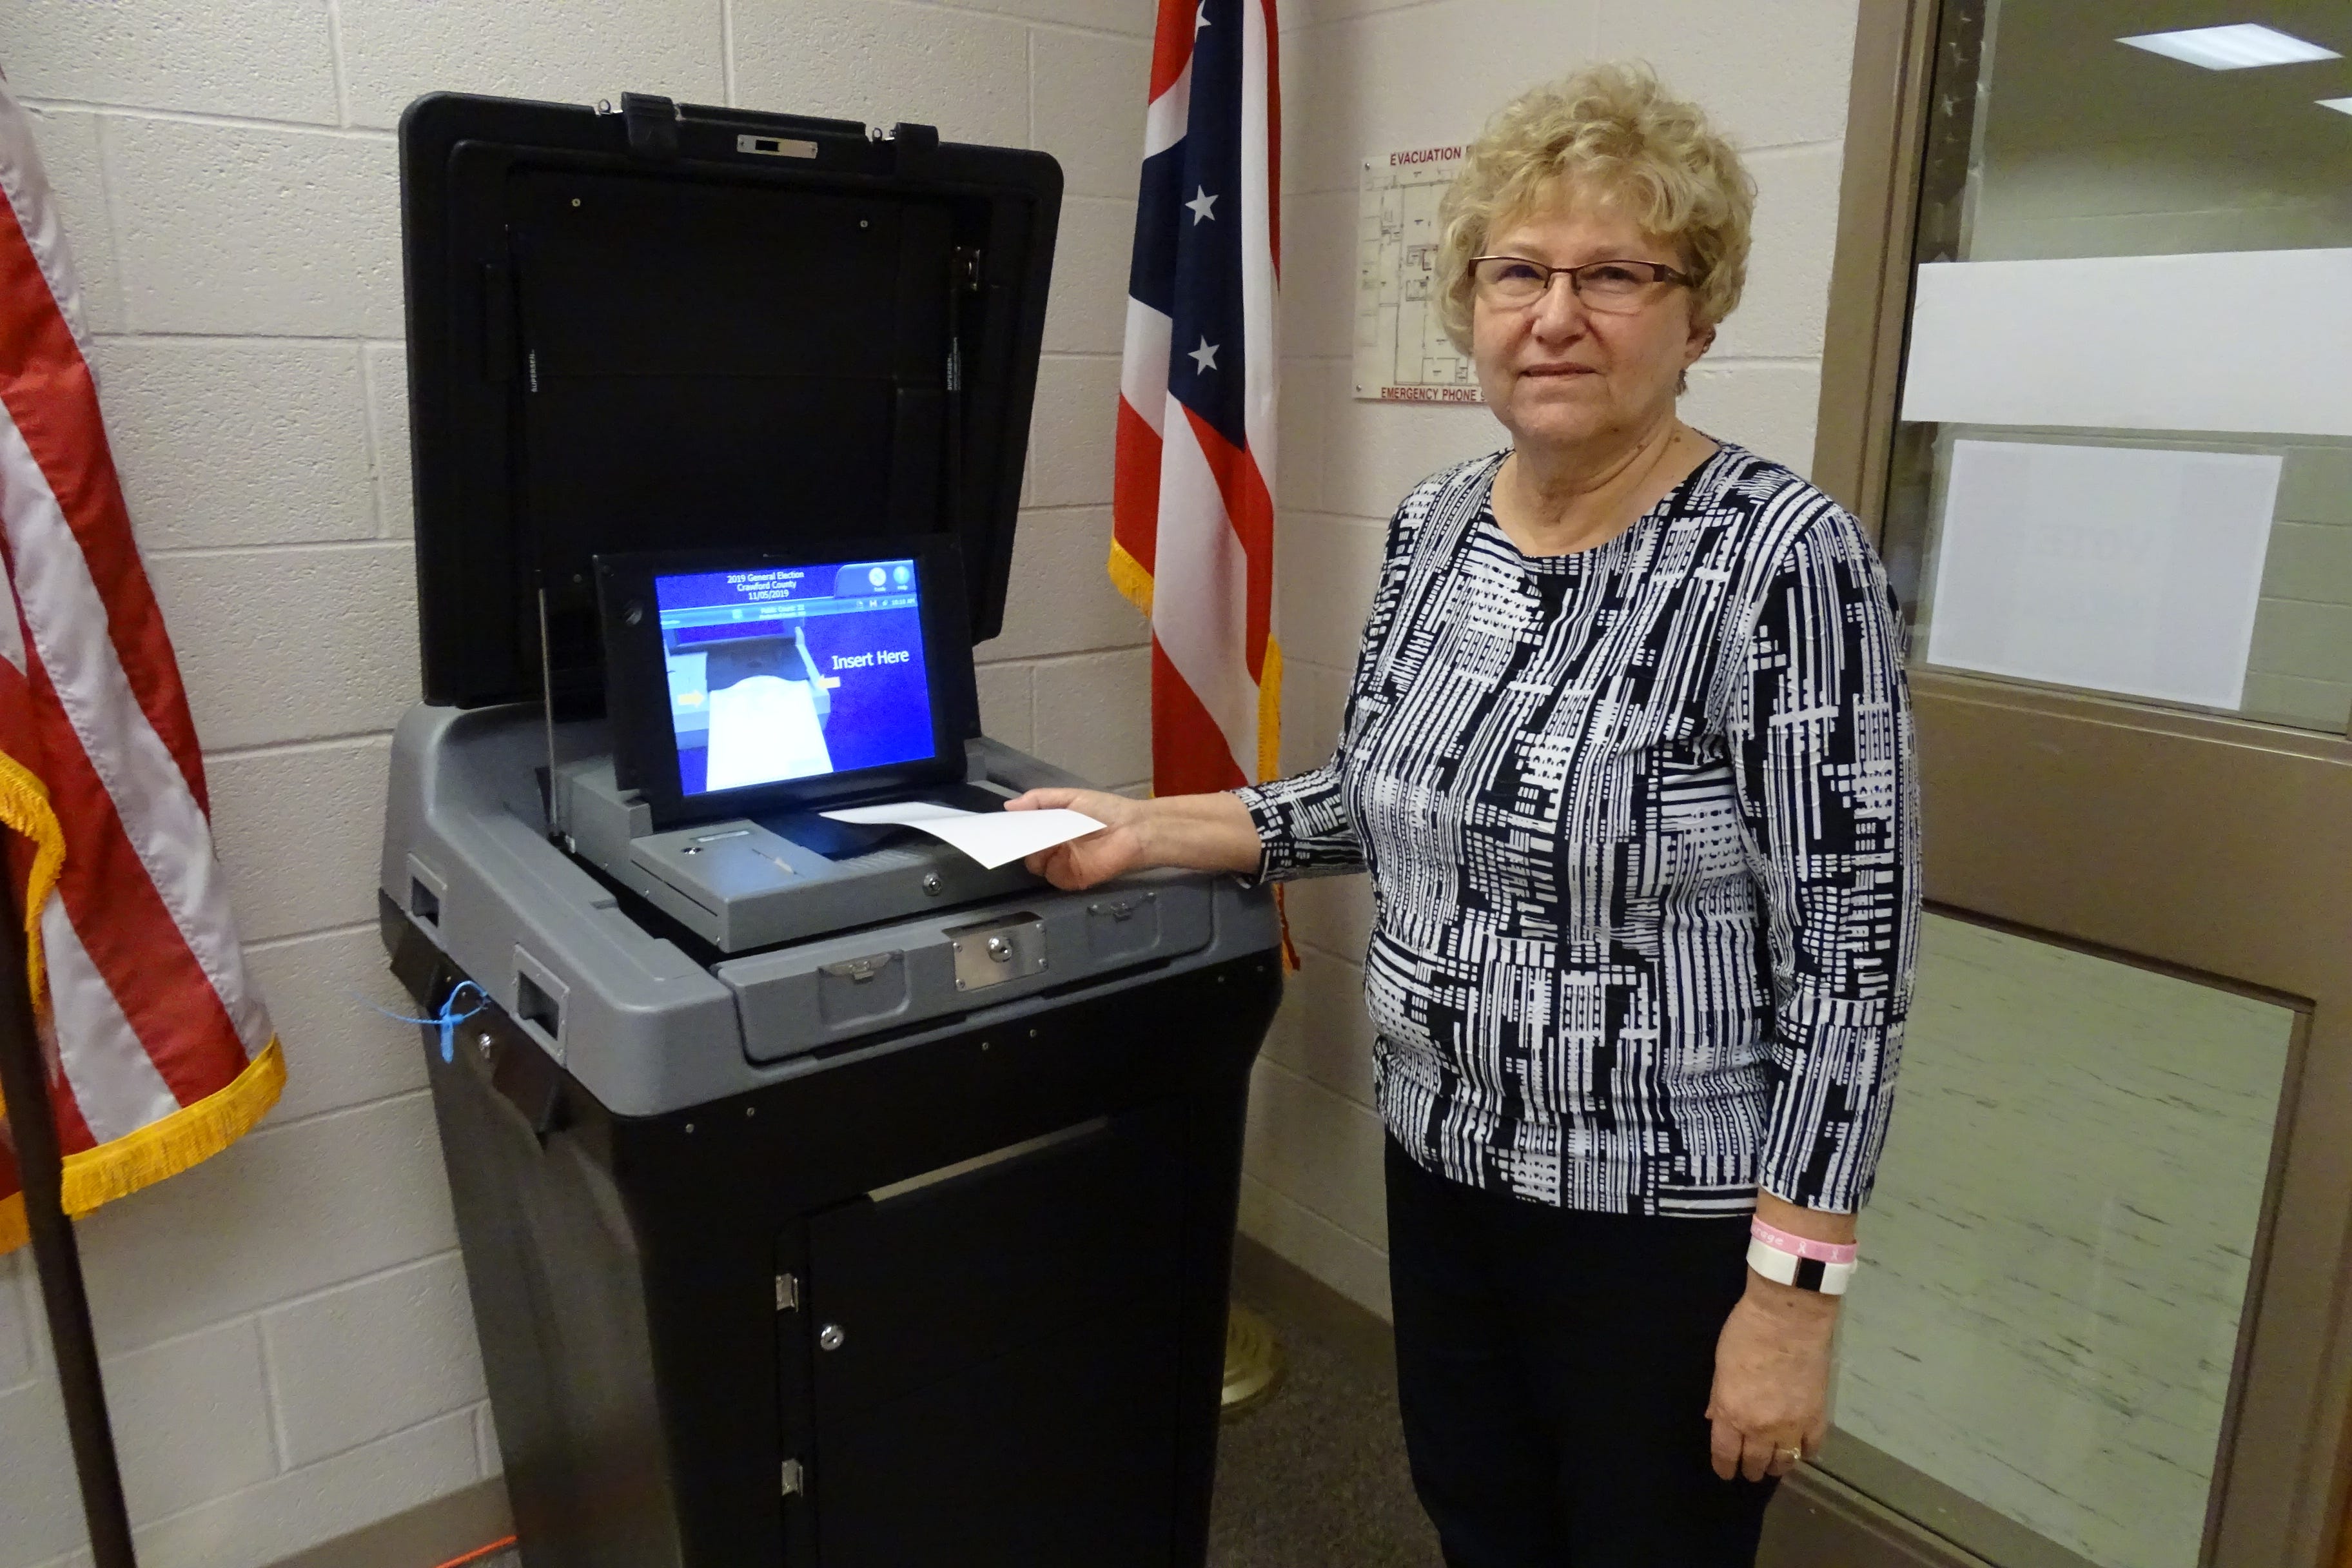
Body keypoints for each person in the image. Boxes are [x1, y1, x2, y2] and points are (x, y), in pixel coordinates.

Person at [1010, 61, 1919, 1567]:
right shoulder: (1438, 525)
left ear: (1698, 316)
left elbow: (1852, 960)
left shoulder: (1782, 560)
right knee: (1480, 1517)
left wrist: (1792, 1297)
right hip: (1441, 1162)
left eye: (1616, 274)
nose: (1556, 315)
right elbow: (1377, 795)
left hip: (1659, 1212)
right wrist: (1147, 827)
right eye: (1519, 271)